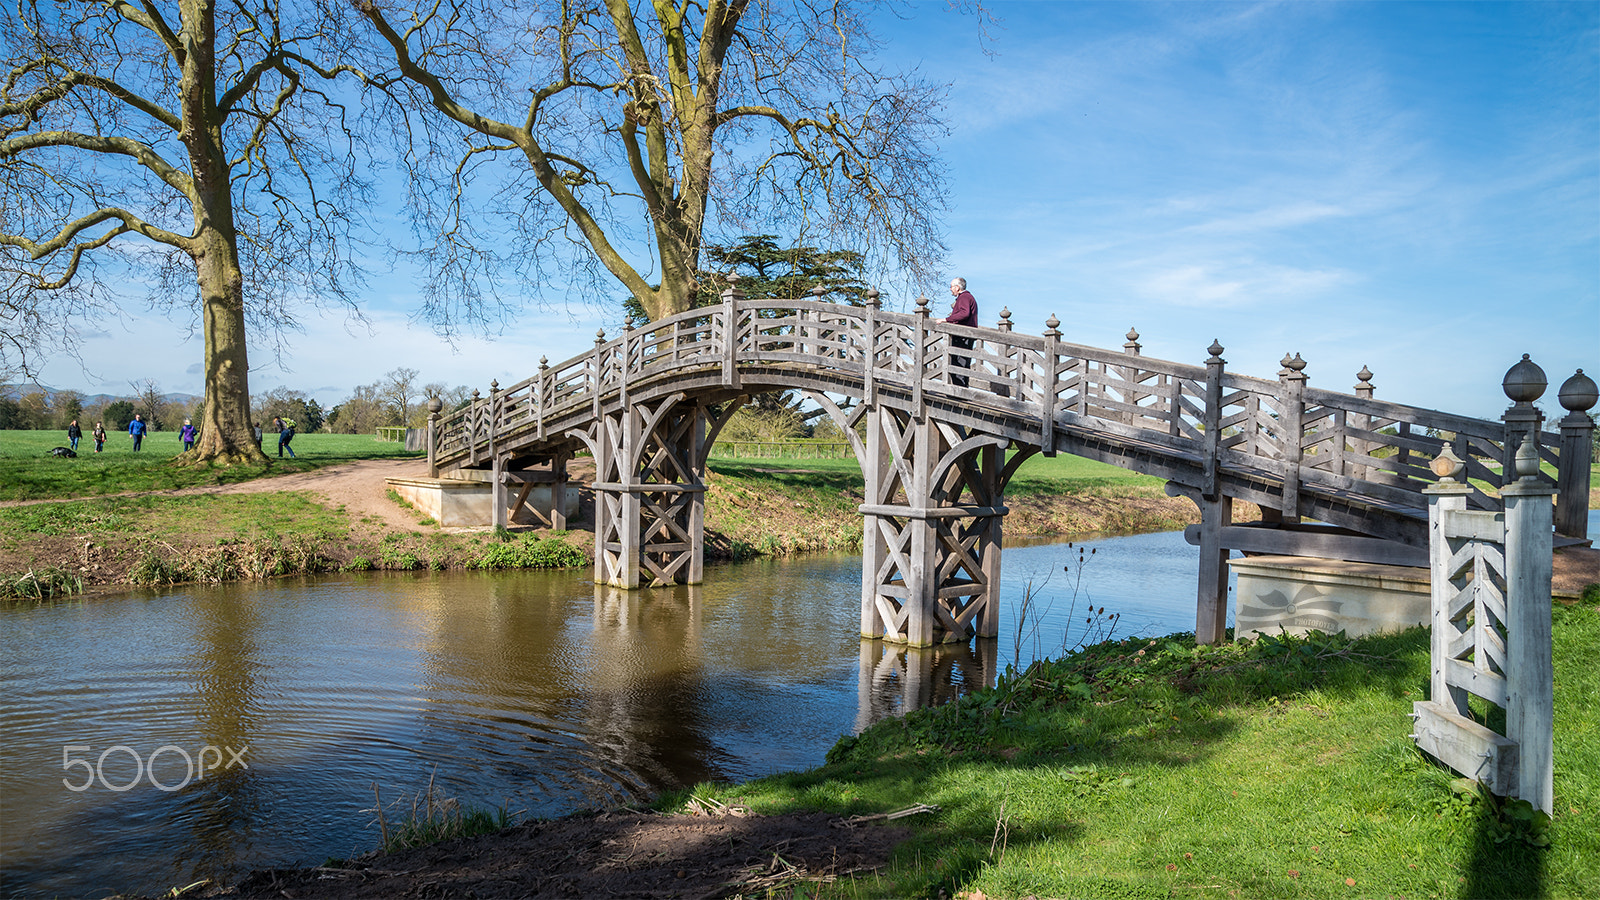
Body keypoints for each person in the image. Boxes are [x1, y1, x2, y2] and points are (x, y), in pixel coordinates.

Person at [935, 276, 979, 387]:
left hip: (963, 336)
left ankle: (959, 392)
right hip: (965, 335)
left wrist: (946, 320)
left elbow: (965, 313)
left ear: (957, 287)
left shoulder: (964, 297)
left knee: (960, 362)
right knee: (960, 362)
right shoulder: (967, 297)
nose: (950, 289)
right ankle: (959, 390)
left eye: (951, 287)